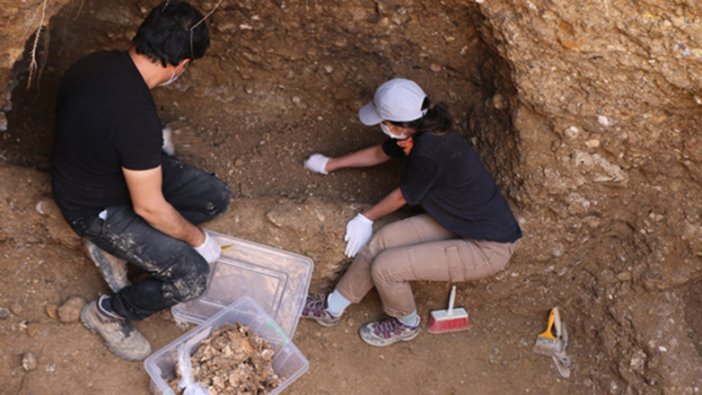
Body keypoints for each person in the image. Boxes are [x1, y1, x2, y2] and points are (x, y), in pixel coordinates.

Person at [51, 1, 231, 361]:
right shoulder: (136, 118)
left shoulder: (94, 63)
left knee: (214, 198)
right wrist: (199, 240)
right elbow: (148, 205)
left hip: (110, 171)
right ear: (181, 65)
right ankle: (107, 312)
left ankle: (130, 248)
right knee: (191, 276)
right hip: (92, 206)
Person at [301, 78, 522, 347]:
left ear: (398, 124)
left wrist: (365, 217)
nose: (382, 127)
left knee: (387, 268)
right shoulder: (419, 130)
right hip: (458, 222)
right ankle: (331, 308)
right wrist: (330, 164)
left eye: (383, 121)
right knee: (383, 240)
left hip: (488, 247)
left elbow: (403, 195)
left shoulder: (431, 150)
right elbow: (379, 153)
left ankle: (406, 323)